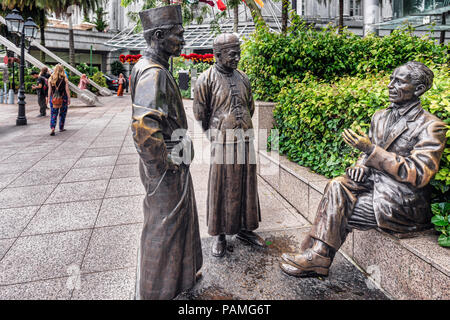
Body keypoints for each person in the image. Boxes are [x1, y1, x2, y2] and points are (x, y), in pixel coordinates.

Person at [279, 61, 447, 278]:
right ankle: (317, 256)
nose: (390, 85)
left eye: (399, 81)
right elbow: (368, 154)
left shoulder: (432, 126)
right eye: (391, 79)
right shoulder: (380, 116)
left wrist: (370, 150)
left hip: (401, 200)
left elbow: (419, 172)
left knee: (337, 211)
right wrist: (360, 164)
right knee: (336, 185)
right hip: (372, 185)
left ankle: (317, 256)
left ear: (419, 89)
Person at [130, 5, 202, 300]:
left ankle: (178, 281)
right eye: (178, 35)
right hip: (166, 171)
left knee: (177, 223)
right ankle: (155, 292)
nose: (183, 41)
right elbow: (143, 129)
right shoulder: (153, 74)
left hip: (172, 166)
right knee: (164, 228)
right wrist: (168, 161)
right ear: (158, 36)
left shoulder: (147, 67)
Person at [193, 33, 264, 258]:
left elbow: (250, 106)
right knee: (221, 188)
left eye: (238, 53)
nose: (237, 58)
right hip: (222, 142)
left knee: (247, 186)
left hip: (245, 139)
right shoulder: (206, 79)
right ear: (218, 55)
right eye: (233, 54)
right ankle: (220, 234)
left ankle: (245, 229)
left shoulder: (243, 78)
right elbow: (199, 114)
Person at [48, 64, 71, 136]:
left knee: (53, 114)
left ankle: (52, 128)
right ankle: (61, 127)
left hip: (54, 98)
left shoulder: (51, 78)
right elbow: (67, 89)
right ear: (62, 70)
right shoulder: (64, 79)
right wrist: (69, 98)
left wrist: (49, 98)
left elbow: (49, 89)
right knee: (62, 113)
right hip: (63, 98)